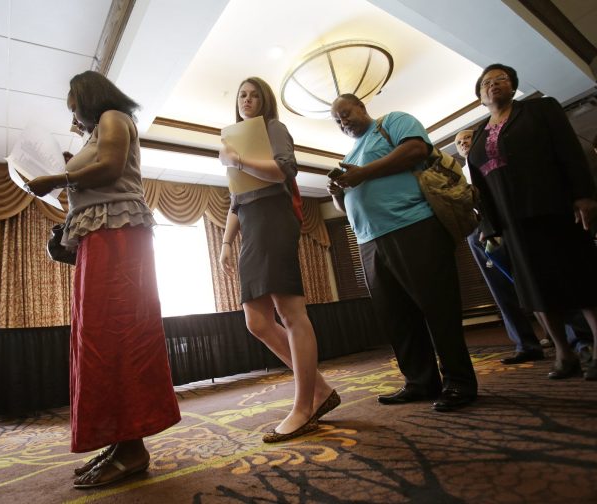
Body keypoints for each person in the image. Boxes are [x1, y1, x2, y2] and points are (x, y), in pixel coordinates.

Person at [26, 70, 181, 488]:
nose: (71, 111)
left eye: (72, 102)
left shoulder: (114, 117)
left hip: (119, 236)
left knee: (117, 335)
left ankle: (132, 447)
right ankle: (120, 438)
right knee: (97, 337)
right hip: (104, 236)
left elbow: (111, 169)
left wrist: (57, 179)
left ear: (88, 96)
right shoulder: (93, 134)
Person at [327, 94, 477, 412]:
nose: (343, 121)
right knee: (397, 317)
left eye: (345, 113)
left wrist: (362, 174)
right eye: (337, 120)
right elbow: (350, 204)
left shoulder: (393, 122)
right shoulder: (349, 154)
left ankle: (459, 381)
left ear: (362, 107)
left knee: (438, 307)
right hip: (369, 241)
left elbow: (415, 151)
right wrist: (341, 194)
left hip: (414, 227)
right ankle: (420, 382)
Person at [217, 77, 339, 443]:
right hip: (250, 226)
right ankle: (320, 390)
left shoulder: (273, 128)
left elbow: (286, 169)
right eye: (242, 94)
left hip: (275, 217)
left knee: (289, 312)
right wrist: (226, 242)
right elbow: (237, 199)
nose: (247, 99)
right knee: (256, 321)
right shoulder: (232, 140)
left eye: (254, 95)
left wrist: (238, 160)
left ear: (264, 101)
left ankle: (305, 406)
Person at [466, 63, 597, 380]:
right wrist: (489, 227)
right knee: (536, 291)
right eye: (487, 82)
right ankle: (564, 355)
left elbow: (568, 150)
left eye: (502, 79)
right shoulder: (479, 137)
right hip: (513, 224)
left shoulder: (540, 110)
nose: (495, 84)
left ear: (513, 87)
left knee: (579, 280)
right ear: (480, 96)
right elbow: (481, 187)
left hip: (553, 209)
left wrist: (583, 195)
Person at [456, 130, 593, 365]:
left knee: (541, 280)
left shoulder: (492, 155)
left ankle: (579, 340)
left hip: (511, 226)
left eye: (468, 137)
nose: (464, 143)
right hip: (479, 233)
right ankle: (525, 344)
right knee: (503, 292)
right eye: (459, 142)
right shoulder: (459, 172)